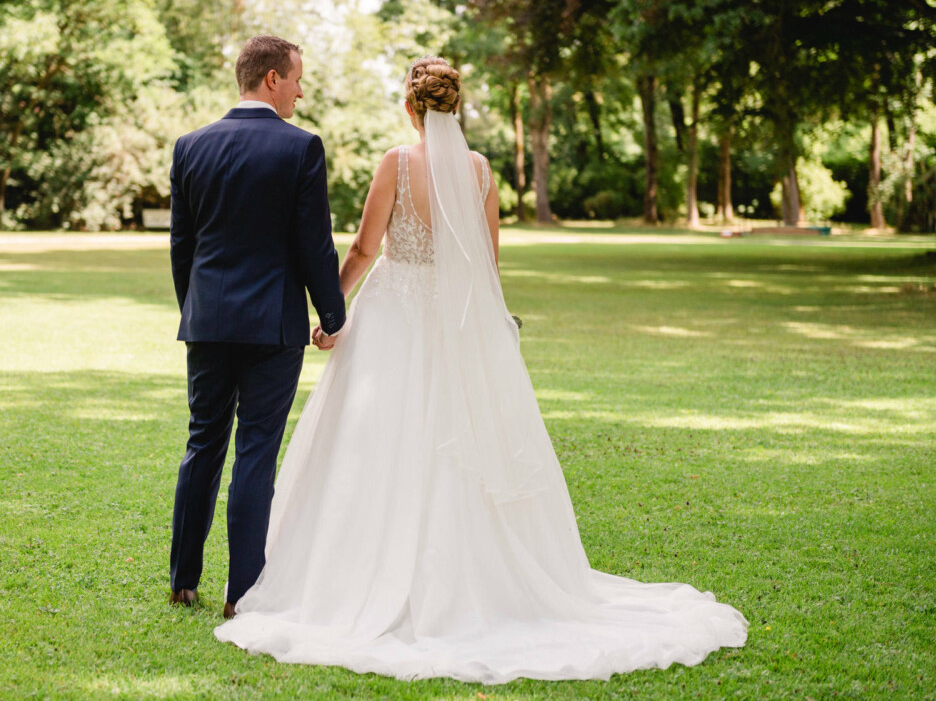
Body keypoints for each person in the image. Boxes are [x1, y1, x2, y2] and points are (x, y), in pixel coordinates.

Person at [213, 57, 748, 683]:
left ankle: (358, 575)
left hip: (393, 316)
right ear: (453, 107)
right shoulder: (481, 171)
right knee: (456, 438)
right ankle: (475, 580)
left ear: (411, 108)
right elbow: (487, 267)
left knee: (377, 441)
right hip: (455, 321)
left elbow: (363, 248)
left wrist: (331, 315)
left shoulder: (397, 163)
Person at [168, 35, 346, 621]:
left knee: (203, 445)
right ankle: (242, 592)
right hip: (273, 324)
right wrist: (333, 312)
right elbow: (314, 245)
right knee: (255, 451)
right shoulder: (301, 148)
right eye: (297, 78)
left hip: (209, 320)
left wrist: (195, 309)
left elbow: (182, 246)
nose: (300, 90)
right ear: (272, 79)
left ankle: (183, 580)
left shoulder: (190, 146)